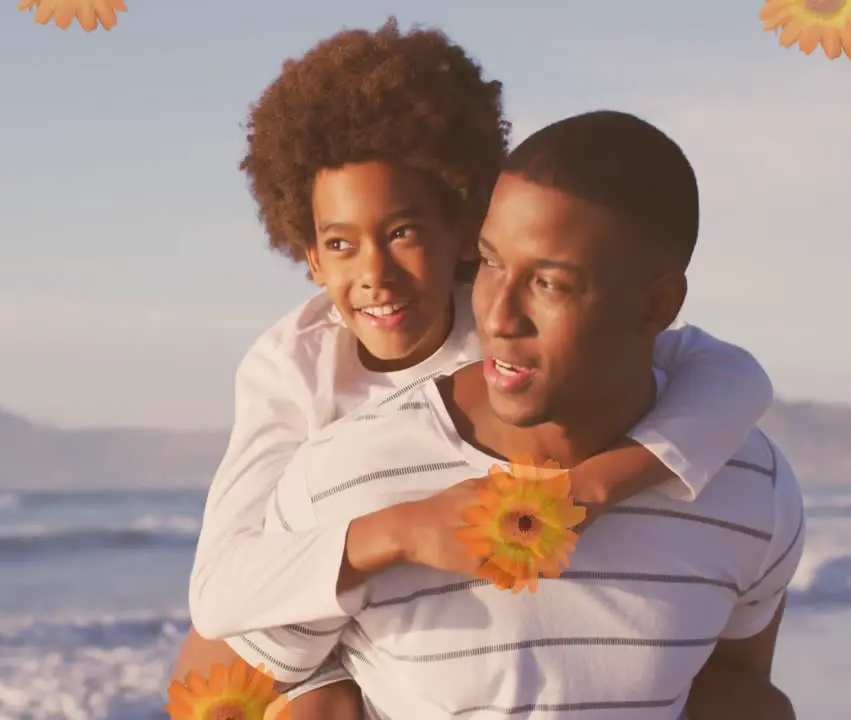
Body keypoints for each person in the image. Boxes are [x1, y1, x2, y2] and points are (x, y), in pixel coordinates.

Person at [174, 17, 773, 684]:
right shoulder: (291, 367)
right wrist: (399, 530)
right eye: (341, 244)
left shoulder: (493, 312)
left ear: (465, 226)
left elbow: (733, 377)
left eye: (403, 232)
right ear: (309, 256)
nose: (375, 272)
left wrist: (600, 483)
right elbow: (222, 588)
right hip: (338, 610)